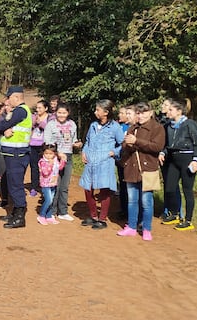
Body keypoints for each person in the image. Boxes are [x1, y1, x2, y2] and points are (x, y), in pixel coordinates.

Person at [118, 102, 165, 240]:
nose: (141, 115)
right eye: (138, 113)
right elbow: (125, 146)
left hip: (148, 169)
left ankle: (146, 229)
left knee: (146, 201)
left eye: (144, 112)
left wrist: (137, 141)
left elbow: (157, 147)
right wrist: (128, 144)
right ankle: (131, 226)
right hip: (131, 168)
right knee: (132, 200)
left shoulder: (157, 128)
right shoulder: (132, 127)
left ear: (150, 113)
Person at [79, 99, 126, 230]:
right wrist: (84, 152)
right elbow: (87, 141)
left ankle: (102, 219)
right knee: (88, 189)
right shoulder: (93, 125)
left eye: (98, 110)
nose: (95, 112)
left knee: (104, 190)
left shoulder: (115, 127)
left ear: (106, 112)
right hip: (90, 162)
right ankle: (93, 216)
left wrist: (114, 152)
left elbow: (122, 143)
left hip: (105, 162)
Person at [159, 99, 197, 231]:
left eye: (171, 110)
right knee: (170, 188)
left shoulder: (189, 124)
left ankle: (188, 220)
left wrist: (196, 159)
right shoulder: (168, 126)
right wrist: (162, 152)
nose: (168, 112)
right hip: (173, 159)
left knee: (187, 191)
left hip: (187, 159)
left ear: (179, 111)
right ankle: (175, 214)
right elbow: (168, 145)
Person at [0, 86, 32, 229]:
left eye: (9, 98)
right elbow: (1, 126)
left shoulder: (20, 111)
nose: (7, 101)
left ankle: (20, 217)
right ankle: (15, 212)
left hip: (17, 153)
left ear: (16, 97)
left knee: (16, 185)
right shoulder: (18, 111)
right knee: (11, 183)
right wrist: (3, 128)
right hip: (13, 153)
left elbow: (0, 126)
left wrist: (2, 128)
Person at [43, 103, 82, 221]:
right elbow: (47, 143)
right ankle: (52, 211)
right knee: (55, 185)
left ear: (68, 113)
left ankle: (63, 211)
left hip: (68, 157)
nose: (61, 115)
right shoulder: (50, 125)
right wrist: (57, 153)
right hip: (54, 158)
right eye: (59, 112)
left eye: (64, 113)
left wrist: (77, 144)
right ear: (55, 113)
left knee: (64, 186)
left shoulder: (72, 124)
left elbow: (74, 140)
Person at [158, 98, 182, 224]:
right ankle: (167, 209)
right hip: (163, 156)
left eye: (166, 105)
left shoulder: (175, 124)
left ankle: (177, 211)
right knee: (167, 184)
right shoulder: (162, 121)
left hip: (171, 156)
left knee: (173, 184)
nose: (163, 106)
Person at [36, 144, 65, 225]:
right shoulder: (42, 162)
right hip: (45, 184)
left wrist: (63, 160)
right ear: (43, 153)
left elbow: (60, 168)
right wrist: (50, 164)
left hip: (53, 183)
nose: (48, 156)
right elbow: (45, 172)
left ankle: (49, 216)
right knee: (48, 200)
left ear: (54, 154)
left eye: (50, 154)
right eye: (46, 153)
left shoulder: (55, 161)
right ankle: (41, 215)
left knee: (51, 200)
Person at [29, 100, 51, 196]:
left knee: (45, 167)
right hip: (33, 144)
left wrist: (40, 123)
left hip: (43, 146)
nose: (38, 110)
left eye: (40, 108)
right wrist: (34, 122)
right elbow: (29, 127)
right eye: (37, 108)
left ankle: (45, 186)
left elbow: (50, 129)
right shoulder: (33, 116)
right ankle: (34, 187)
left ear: (46, 108)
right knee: (33, 167)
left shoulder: (50, 117)